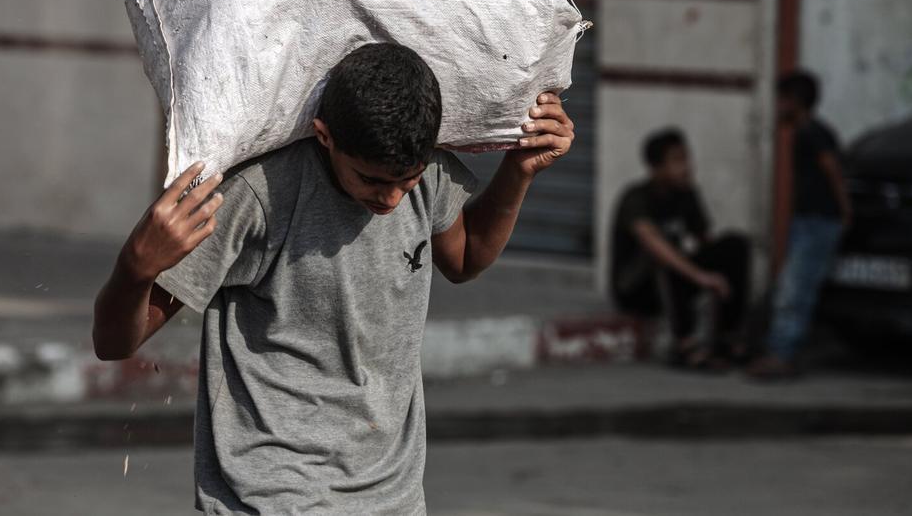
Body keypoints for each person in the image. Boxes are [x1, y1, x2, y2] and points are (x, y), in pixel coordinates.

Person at [91, 43, 575, 515]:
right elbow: (115, 342)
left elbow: (465, 258)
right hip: (274, 492)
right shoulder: (257, 197)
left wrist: (519, 172)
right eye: (370, 180)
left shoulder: (429, 176)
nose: (389, 200)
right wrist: (136, 268)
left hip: (392, 492)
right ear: (325, 136)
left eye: (404, 181)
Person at [609, 128, 751, 371]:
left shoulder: (686, 194)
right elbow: (654, 243)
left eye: (687, 157)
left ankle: (728, 337)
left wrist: (717, 272)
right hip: (636, 289)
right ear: (656, 167)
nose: (686, 166)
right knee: (665, 255)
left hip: (672, 282)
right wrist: (702, 277)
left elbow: (705, 241)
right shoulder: (636, 198)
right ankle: (685, 345)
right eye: (677, 160)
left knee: (735, 245)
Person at [746, 71, 852, 380]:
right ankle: (779, 350)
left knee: (796, 288)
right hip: (808, 220)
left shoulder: (813, 133)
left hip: (818, 221)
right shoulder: (803, 133)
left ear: (795, 102)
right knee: (792, 285)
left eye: (782, 100)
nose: (777, 107)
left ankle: (782, 354)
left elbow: (832, 171)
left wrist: (844, 211)